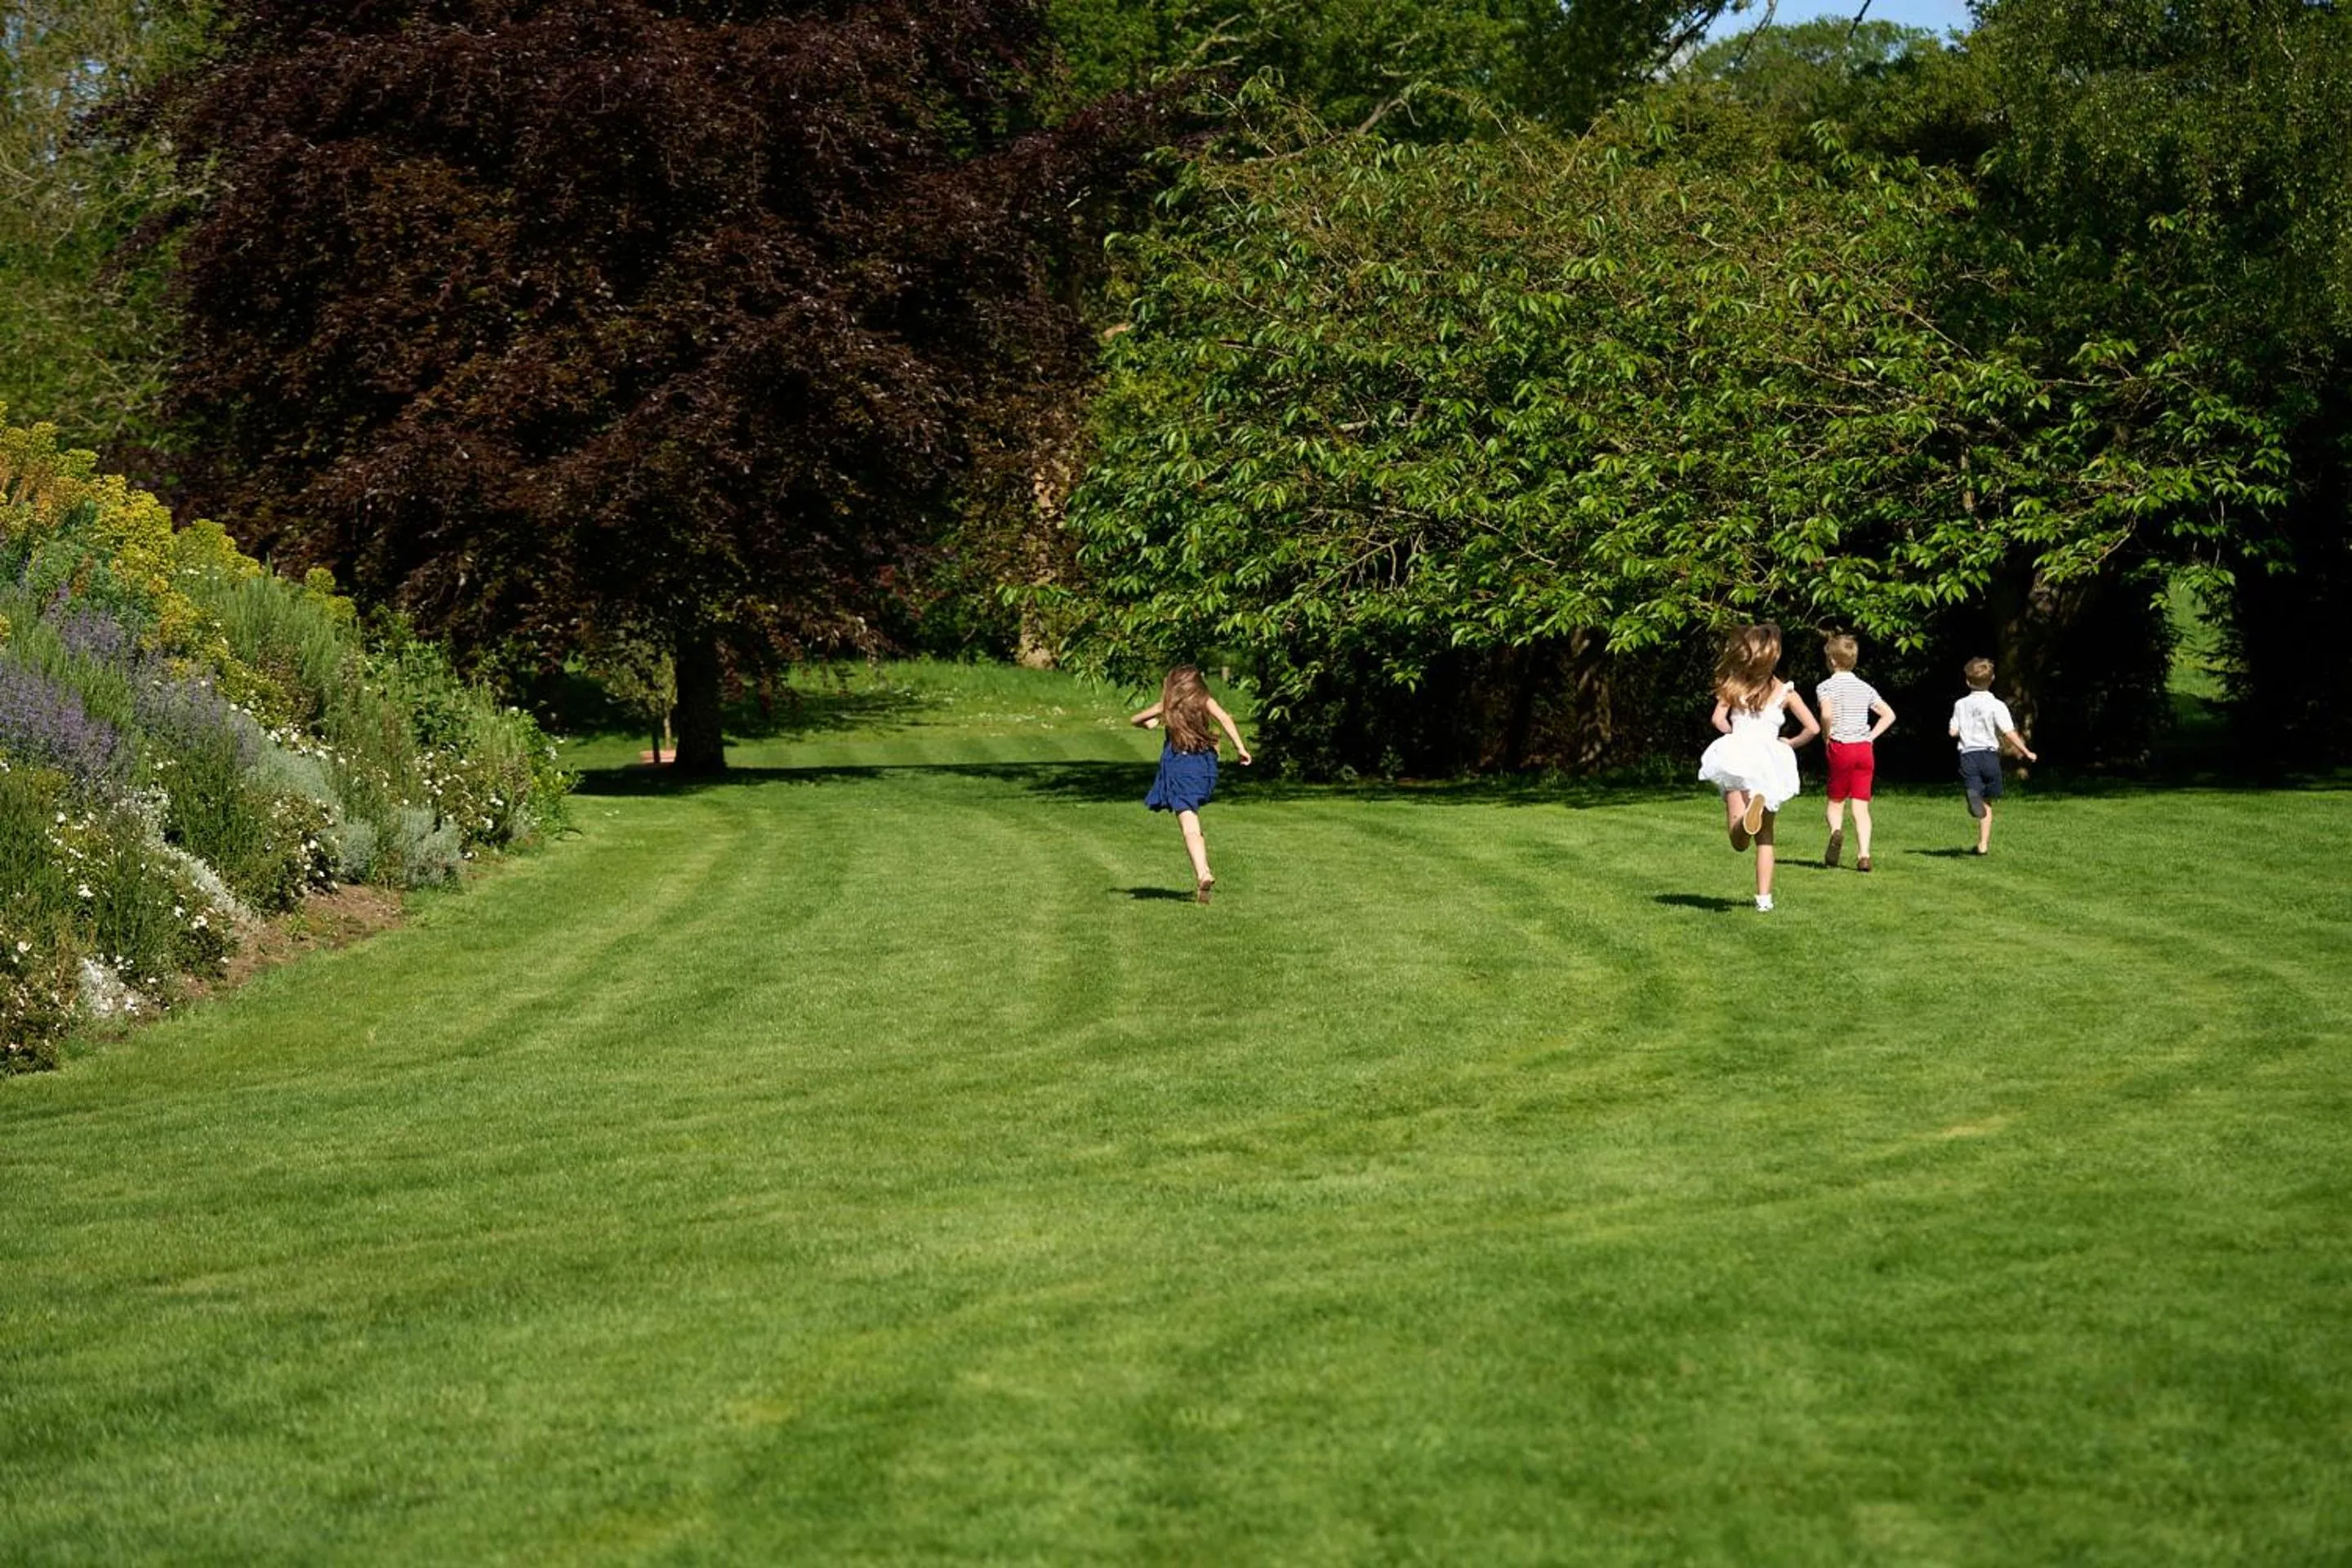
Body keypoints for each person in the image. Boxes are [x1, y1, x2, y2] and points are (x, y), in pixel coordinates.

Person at [1698, 622, 1820, 911]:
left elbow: (1718, 720)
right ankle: (1764, 900)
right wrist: (1789, 743)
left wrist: (1732, 734)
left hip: (1738, 754)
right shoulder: (1786, 692)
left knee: (1739, 841)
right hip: (1770, 761)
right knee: (1766, 838)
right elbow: (1813, 728)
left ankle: (1745, 820)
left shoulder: (1733, 684)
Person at [1132, 665, 1252, 902]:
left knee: (1189, 825)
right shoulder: (1203, 700)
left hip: (1180, 768)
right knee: (1194, 822)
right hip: (1204, 768)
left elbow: (1136, 720)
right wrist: (1240, 748)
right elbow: (1225, 719)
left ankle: (1203, 872)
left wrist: (1157, 713)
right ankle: (1203, 874)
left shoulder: (1170, 707)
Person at [1815, 632, 1896, 872]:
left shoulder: (1826, 686)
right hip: (1864, 749)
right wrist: (1871, 736)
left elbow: (1827, 714)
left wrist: (1826, 735)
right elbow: (1889, 715)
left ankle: (1836, 832)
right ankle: (1864, 855)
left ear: (1832, 662)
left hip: (1841, 746)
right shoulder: (1865, 687)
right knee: (1861, 807)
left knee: (1836, 800)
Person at [1949, 656, 2038, 855]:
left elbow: (1953, 732)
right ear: (1993, 678)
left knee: (1975, 790)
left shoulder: (1960, 704)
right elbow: (2009, 732)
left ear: (1967, 681)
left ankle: (1974, 797)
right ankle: (1983, 845)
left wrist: (1962, 729)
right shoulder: (1997, 705)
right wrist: (2026, 752)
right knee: (1988, 801)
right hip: (1989, 756)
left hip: (1968, 756)